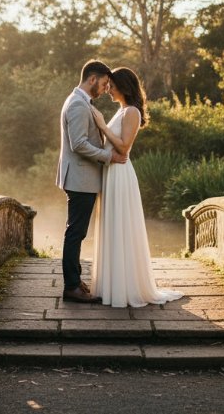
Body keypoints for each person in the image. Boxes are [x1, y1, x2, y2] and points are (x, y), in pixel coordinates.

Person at [89, 67, 183, 307]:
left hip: (120, 174)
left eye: (111, 85)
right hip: (111, 173)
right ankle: (111, 285)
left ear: (123, 86)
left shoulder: (131, 112)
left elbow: (123, 148)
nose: (107, 89)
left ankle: (125, 287)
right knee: (112, 226)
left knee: (121, 226)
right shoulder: (121, 111)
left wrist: (102, 125)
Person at [56, 60, 128, 303]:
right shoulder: (77, 104)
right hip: (79, 178)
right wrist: (110, 156)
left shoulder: (80, 101)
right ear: (92, 79)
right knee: (76, 233)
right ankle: (71, 287)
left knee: (77, 231)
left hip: (81, 178)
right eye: (104, 83)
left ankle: (74, 281)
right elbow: (79, 144)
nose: (105, 88)